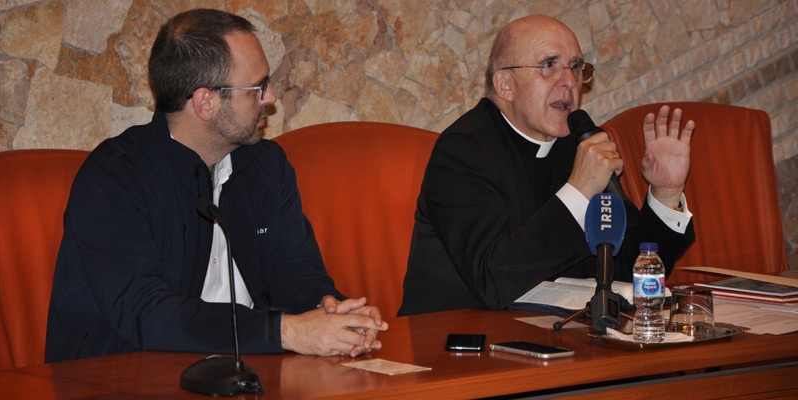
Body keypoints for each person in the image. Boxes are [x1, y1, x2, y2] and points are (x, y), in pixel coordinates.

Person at [45, 8, 387, 363]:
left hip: (250, 372)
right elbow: (147, 314)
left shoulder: (266, 166)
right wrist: (286, 331)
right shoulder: (113, 179)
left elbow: (296, 273)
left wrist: (327, 309)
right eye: (256, 88)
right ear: (205, 102)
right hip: (125, 378)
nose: (270, 97)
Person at [398, 15, 696, 316]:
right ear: (505, 84)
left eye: (576, 67)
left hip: (559, 335)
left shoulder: (576, 145)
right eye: (548, 65)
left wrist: (666, 193)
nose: (570, 81)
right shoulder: (462, 152)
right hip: (460, 337)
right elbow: (492, 281)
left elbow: (627, 271)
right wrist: (578, 192)